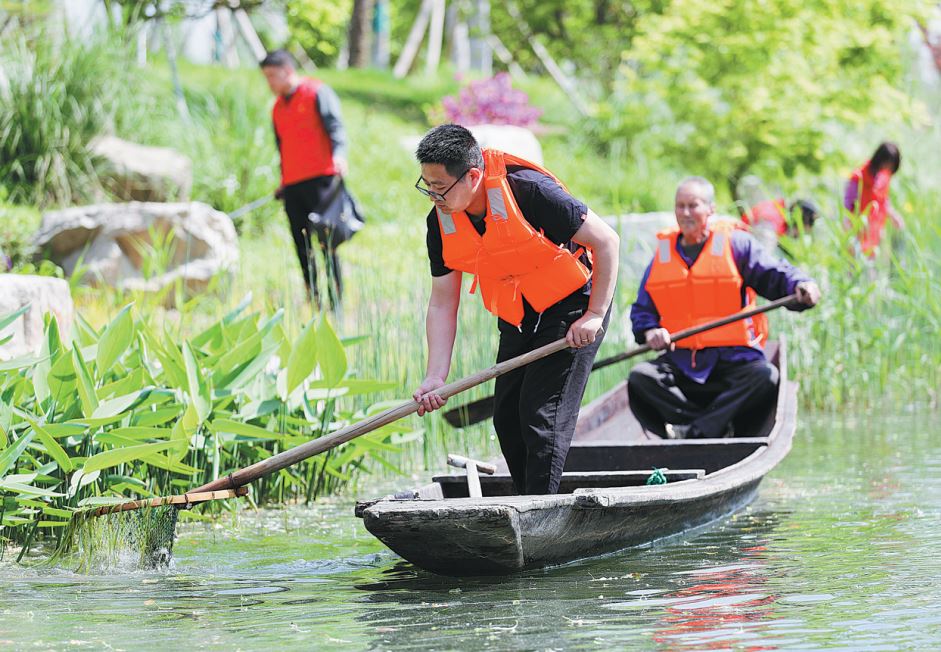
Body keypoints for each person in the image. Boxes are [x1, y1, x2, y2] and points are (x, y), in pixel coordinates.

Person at [411, 124, 620, 495]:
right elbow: (443, 301)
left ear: (473, 176)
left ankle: (541, 514)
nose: (433, 196)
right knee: (507, 418)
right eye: (426, 185)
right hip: (518, 313)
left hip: (574, 306)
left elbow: (607, 241)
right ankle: (529, 506)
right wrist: (435, 377)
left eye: (440, 187)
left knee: (542, 417)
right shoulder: (439, 223)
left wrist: (595, 315)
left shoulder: (530, 191)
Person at [628, 177, 820, 440]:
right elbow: (642, 310)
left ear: (711, 209)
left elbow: (774, 273)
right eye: (679, 206)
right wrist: (650, 330)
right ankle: (713, 424)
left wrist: (801, 284)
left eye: (693, 205)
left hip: (733, 364)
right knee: (641, 378)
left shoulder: (736, 245)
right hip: (683, 364)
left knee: (766, 376)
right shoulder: (662, 255)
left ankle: (695, 432)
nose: (685, 213)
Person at [261, 49, 350, 308]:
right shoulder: (277, 108)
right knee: (301, 245)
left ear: (287, 71)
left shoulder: (316, 92)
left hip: (322, 180)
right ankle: (314, 298)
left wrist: (340, 156)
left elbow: (336, 127)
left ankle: (336, 301)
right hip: (293, 185)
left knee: (327, 243)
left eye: (272, 76)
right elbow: (282, 147)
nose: (269, 82)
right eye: (265, 77)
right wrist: (282, 181)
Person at [844, 142, 904, 258]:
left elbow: (884, 201)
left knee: (872, 269)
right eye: (888, 165)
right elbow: (848, 205)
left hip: (874, 236)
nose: (888, 169)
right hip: (856, 232)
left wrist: (893, 216)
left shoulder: (883, 178)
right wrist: (849, 232)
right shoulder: (858, 178)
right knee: (854, 269)